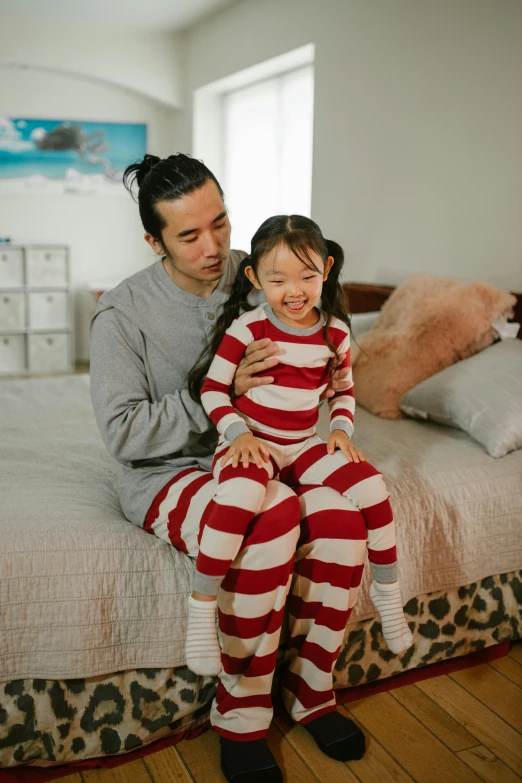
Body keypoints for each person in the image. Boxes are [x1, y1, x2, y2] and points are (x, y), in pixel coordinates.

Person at [89, 153, 408, 783]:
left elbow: (324, 330)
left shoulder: (264, 271)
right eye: (188, 235)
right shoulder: (122, 313)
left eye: (221, 223)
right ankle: (239, 713)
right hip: (170, 469)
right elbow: (122, 433)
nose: (214, 247)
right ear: (154, 241)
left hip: (271, 455)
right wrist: (221, 395)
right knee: (272, 518)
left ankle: (312, 688)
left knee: (343, 518)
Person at [184, 212, 412, 685]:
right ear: (254, 278)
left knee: (371, 486)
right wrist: (237, 434)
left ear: (326, 271)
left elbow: (343, 392)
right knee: (244, 497)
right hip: (252, 444)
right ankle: (201, 610)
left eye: (308, 276)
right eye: (277, 278)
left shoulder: (335, 332)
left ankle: (390, 596)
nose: (294, 290)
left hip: (304, 444)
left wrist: (342, 430)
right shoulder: (249, 328)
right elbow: (212, 390)